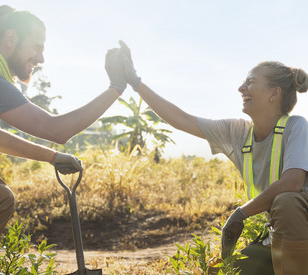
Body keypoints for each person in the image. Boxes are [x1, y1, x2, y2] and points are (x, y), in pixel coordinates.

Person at [0, 5, 127, 274]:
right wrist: (116, 88)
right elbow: (57, 129)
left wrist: (53, 157)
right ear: (11, 39)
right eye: (37, 47)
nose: (41, 58)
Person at [105, 41, 308, 274]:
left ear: (275, 93)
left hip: (302, 230)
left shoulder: (296, 126)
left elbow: (292, 183)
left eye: (250, 82)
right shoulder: (238, 132)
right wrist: (136, 83)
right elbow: (183, 120)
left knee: (287, 201)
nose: (241, 88)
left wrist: (240, 213)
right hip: (279, 238)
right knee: (222, 271)